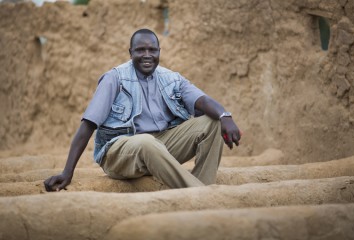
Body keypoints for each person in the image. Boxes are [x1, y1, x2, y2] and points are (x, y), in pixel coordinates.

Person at [44, 28, 241, 191]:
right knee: (146, 141)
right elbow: (87, 125)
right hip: (120, 153)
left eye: (152, 50)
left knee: (213, 121)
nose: (147, 55)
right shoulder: (115, 78)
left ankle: (202, 186)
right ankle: (200, 194)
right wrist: (67, 172)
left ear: (159, 52)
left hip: (159, 148)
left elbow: (202, 100)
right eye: (140, 50)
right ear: (130, 53)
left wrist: (225, 115)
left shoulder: (171, 78)